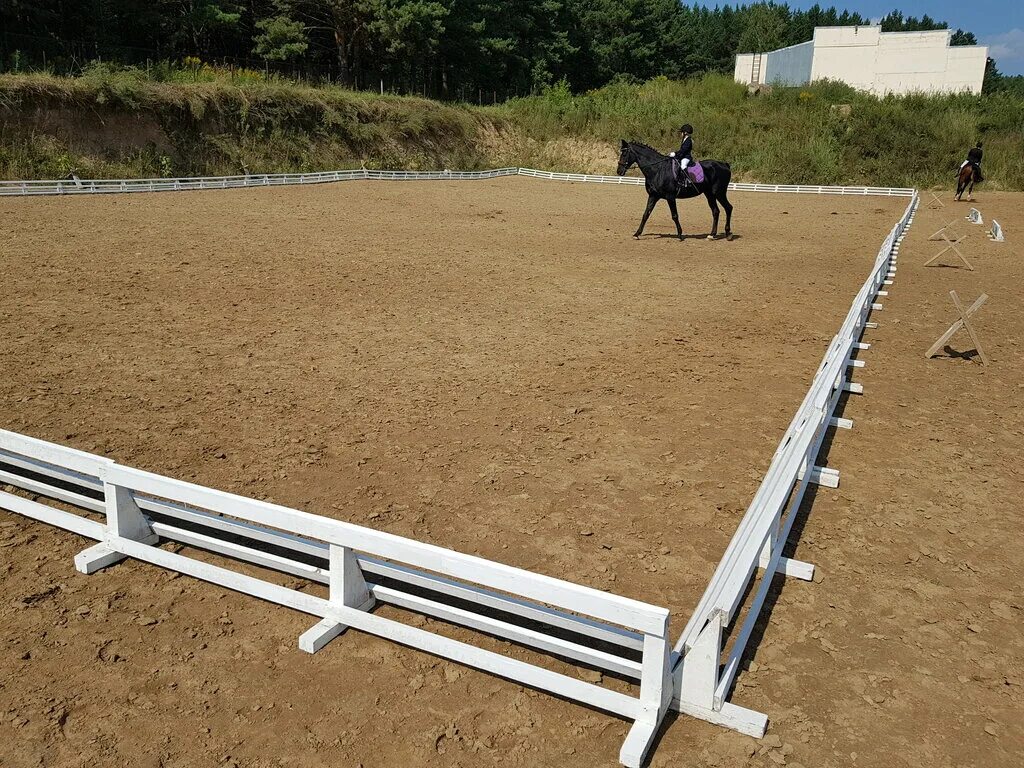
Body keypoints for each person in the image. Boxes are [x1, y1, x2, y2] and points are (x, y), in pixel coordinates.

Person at [670, 124, 694, 189]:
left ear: (685, 132)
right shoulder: (684, 139)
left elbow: (683, 150)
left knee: (683, 165)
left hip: (686, 157)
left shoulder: (688, 140)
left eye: (682, 132)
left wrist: (675, 154)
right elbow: (681, 151)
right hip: (682, 156)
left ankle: (689, 180)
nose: (681, 134)